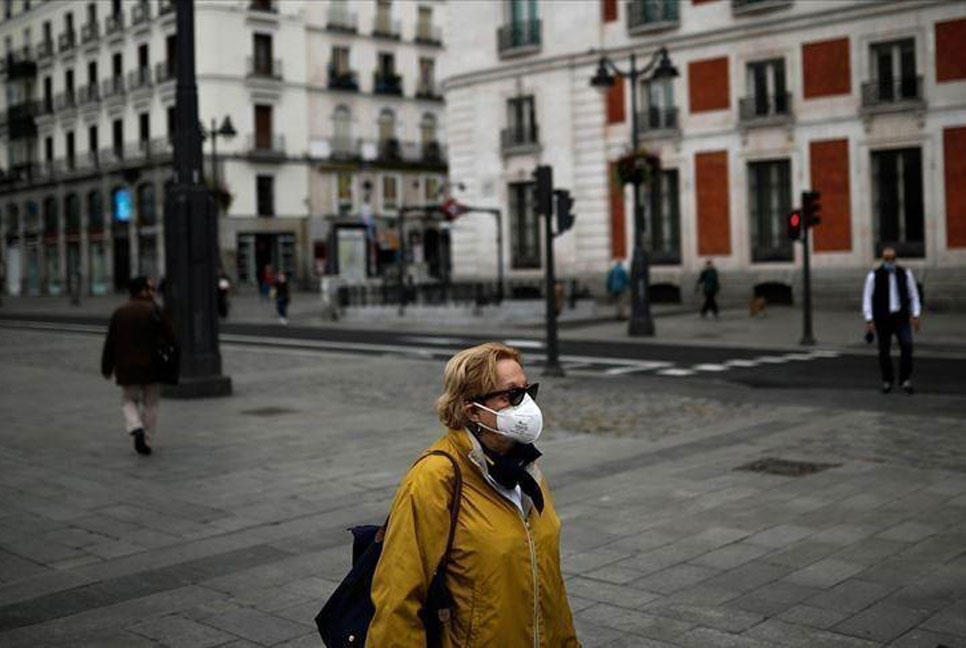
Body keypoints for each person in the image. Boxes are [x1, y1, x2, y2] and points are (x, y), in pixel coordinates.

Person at [368, 342, 580, 647]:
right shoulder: (435, 477)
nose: (527, 406)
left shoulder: (526, 468)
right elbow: (397, 600)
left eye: (527, 391)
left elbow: (552, 589)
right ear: (473, 410)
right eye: (512, 395)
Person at [101, 276, 175, 455]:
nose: (153, 292)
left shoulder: (120, 312)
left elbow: (111, 342)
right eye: (150, 289)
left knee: (128, 399)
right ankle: (147, 441)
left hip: (127, 367)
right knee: (151, 404)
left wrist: (107, 367)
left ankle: (135, 425)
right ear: (141, 290)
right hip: (153, 366)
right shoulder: (155, 311)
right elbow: (171, 337)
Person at [862, 247, 921, 394]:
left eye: (892, 258)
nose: (889, 261)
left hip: (900, 317)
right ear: (882, 259)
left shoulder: (905, 273)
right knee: (884, 351)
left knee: (907, 346)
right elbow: (867, 298)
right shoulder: (874, 276)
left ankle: (905, 379)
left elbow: (913, 295)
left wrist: (915, 314)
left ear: (896, 259)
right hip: (883, 318)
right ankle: (887, 380)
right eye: (886, 259)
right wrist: (869, 319)